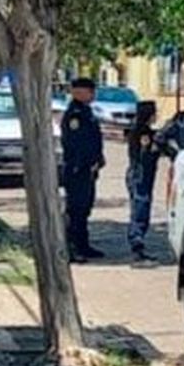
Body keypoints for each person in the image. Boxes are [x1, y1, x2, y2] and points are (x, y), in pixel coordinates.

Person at [60, 77, 105, 263]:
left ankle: (83, 245)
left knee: (85, 209)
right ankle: (72, 248)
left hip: (88, 169)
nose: (93, 95)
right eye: (90, 91)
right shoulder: (75, 115)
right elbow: (77, 144)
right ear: (79, 92)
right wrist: (87, 162)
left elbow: (93, 140)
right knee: (76, 210)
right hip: (78, 169)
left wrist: (98, 160)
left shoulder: (86, 112)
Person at [125, 101, 161, 268]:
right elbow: (145, 154)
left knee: (140, 208)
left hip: (138, 174)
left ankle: (138, 245)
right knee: (140, 209)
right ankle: (137, 249)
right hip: (140, 175)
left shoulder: (138, 130)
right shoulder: (142, 132)